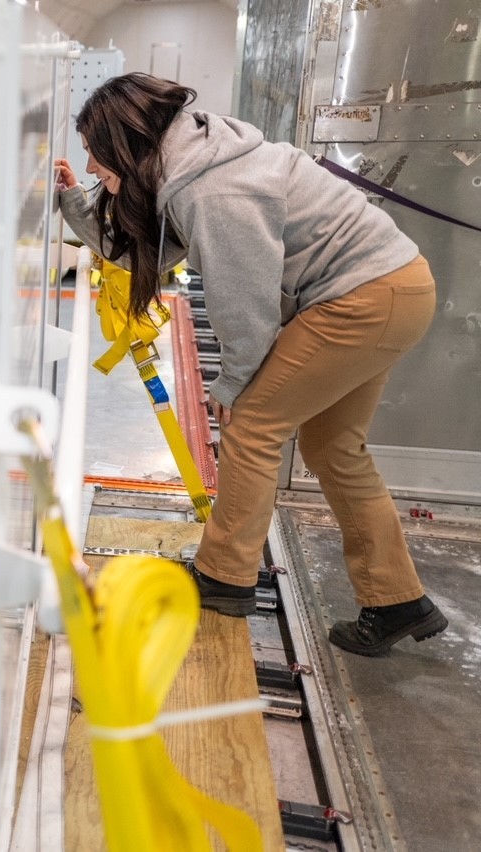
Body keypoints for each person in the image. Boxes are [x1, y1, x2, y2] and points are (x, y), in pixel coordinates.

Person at [54, 72, 447, 656]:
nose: (89, 167)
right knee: (333, 448)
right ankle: (396, 599)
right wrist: (71, 202)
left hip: (362, 298)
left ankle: (223, 577)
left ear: (124, 140)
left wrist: (233, 381)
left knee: (253, 424)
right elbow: (139, 251)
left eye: (92, 152)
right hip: (394, 288)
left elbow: (245, 303)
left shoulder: (214, 189)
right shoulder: (190, 162)